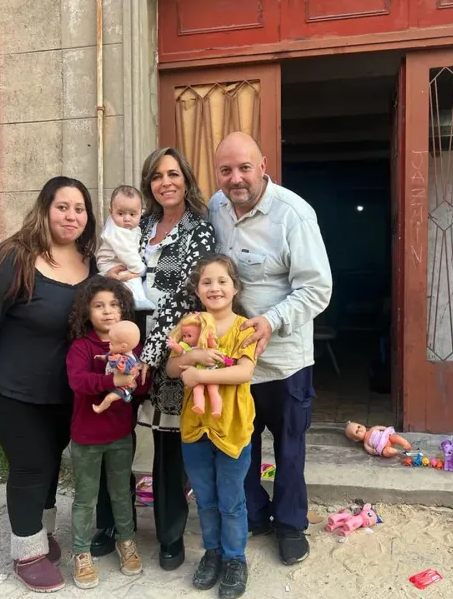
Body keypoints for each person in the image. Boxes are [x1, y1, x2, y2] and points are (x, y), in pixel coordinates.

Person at [0, 176, 98, 592]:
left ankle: (41, 532)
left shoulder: (92, 262)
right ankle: (26, 552)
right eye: (62, 207)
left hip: (64, 392)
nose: (71, 216)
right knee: (32, 463)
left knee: (51, 462)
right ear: (45, 208)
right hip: (11, 390)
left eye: (80, 209)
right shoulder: (14, 256)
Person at [208, 132, 332, 566]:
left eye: (244, 167)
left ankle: (291, 525)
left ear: (263, 165)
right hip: (235, 362)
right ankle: (255, 514)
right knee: (239, 442)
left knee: (289, 448)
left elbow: (317, 288)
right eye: (226, 170)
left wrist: (272, 321)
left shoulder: (293, 214)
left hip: (284, 361)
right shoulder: (215, 208)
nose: (235, 178)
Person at [93, 147, 216, 570]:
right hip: (122, 339)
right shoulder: (135, 223)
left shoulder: (199, 230)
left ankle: (169, 536)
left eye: (173, 174)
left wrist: (152, 351)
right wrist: (108, 278)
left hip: (171, 346)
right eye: (157, 176)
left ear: (186, 179)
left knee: (167, 444)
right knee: (115, 432)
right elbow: (107, 264)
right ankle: (112, 525)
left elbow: (186, 296)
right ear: (148, 184)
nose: (166, 182)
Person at [168, 254, 257, 598]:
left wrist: (202, 375)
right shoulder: (190, 323)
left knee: (231, 500)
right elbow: (174, 368)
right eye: (207, 282)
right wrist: (192, 358)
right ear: (197, 289)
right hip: (196, 427)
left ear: (235, 287)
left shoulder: (245, 328)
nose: (215, 287)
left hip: (233, 427)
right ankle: (213, 553)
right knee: (205, 498)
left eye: (222, 281)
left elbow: (243, 372)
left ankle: (235, 559)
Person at [65, 276, 150, 588]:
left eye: (114, 305)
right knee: (85, 498)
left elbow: (141, 386)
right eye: (99, 305)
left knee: (121, 493)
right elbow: (79, 382)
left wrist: (142, 376)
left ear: (124, 310)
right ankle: (81, 552)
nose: (107, 311)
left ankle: (126, 541)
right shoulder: (82, 347)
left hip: (119, 434)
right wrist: (112, 381)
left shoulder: (134, 347)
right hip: (86, 436)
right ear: (87, 311)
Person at [95, 185, 156, 310]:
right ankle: (138, 300)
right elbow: (127, 253)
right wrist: (141, 269)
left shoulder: (132, 227)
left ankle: (137, 299)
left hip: (120, 260)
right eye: (121, 213)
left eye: (132, 214)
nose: (127, 218)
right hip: (110, 263)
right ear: (111, 212)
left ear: (141, 213)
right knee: (132, 277)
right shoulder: (117, 232)